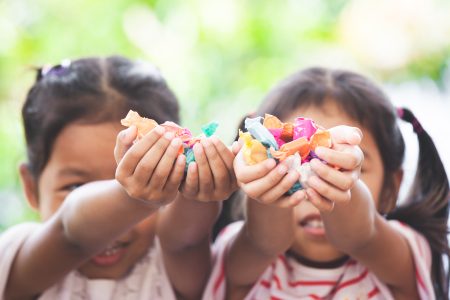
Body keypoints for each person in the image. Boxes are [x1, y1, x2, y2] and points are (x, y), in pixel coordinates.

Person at [0, 56, 237, 300]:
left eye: (150, 174)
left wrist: (199, 187)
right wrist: (135, 196)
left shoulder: (172, 264)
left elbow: (187, 238)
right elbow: (72, 233)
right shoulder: (20, 259)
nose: (113, 230)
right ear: (31, 187)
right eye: (75, 186)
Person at [204, 67, 449, 299]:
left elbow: (359, 234)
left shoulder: (405, 256)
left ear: (391, 190)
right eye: (297, 161)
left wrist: (340, 179)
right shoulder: (244, 255)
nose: (312, 183)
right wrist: (269, 165)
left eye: (351, 169)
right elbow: (265, 240)